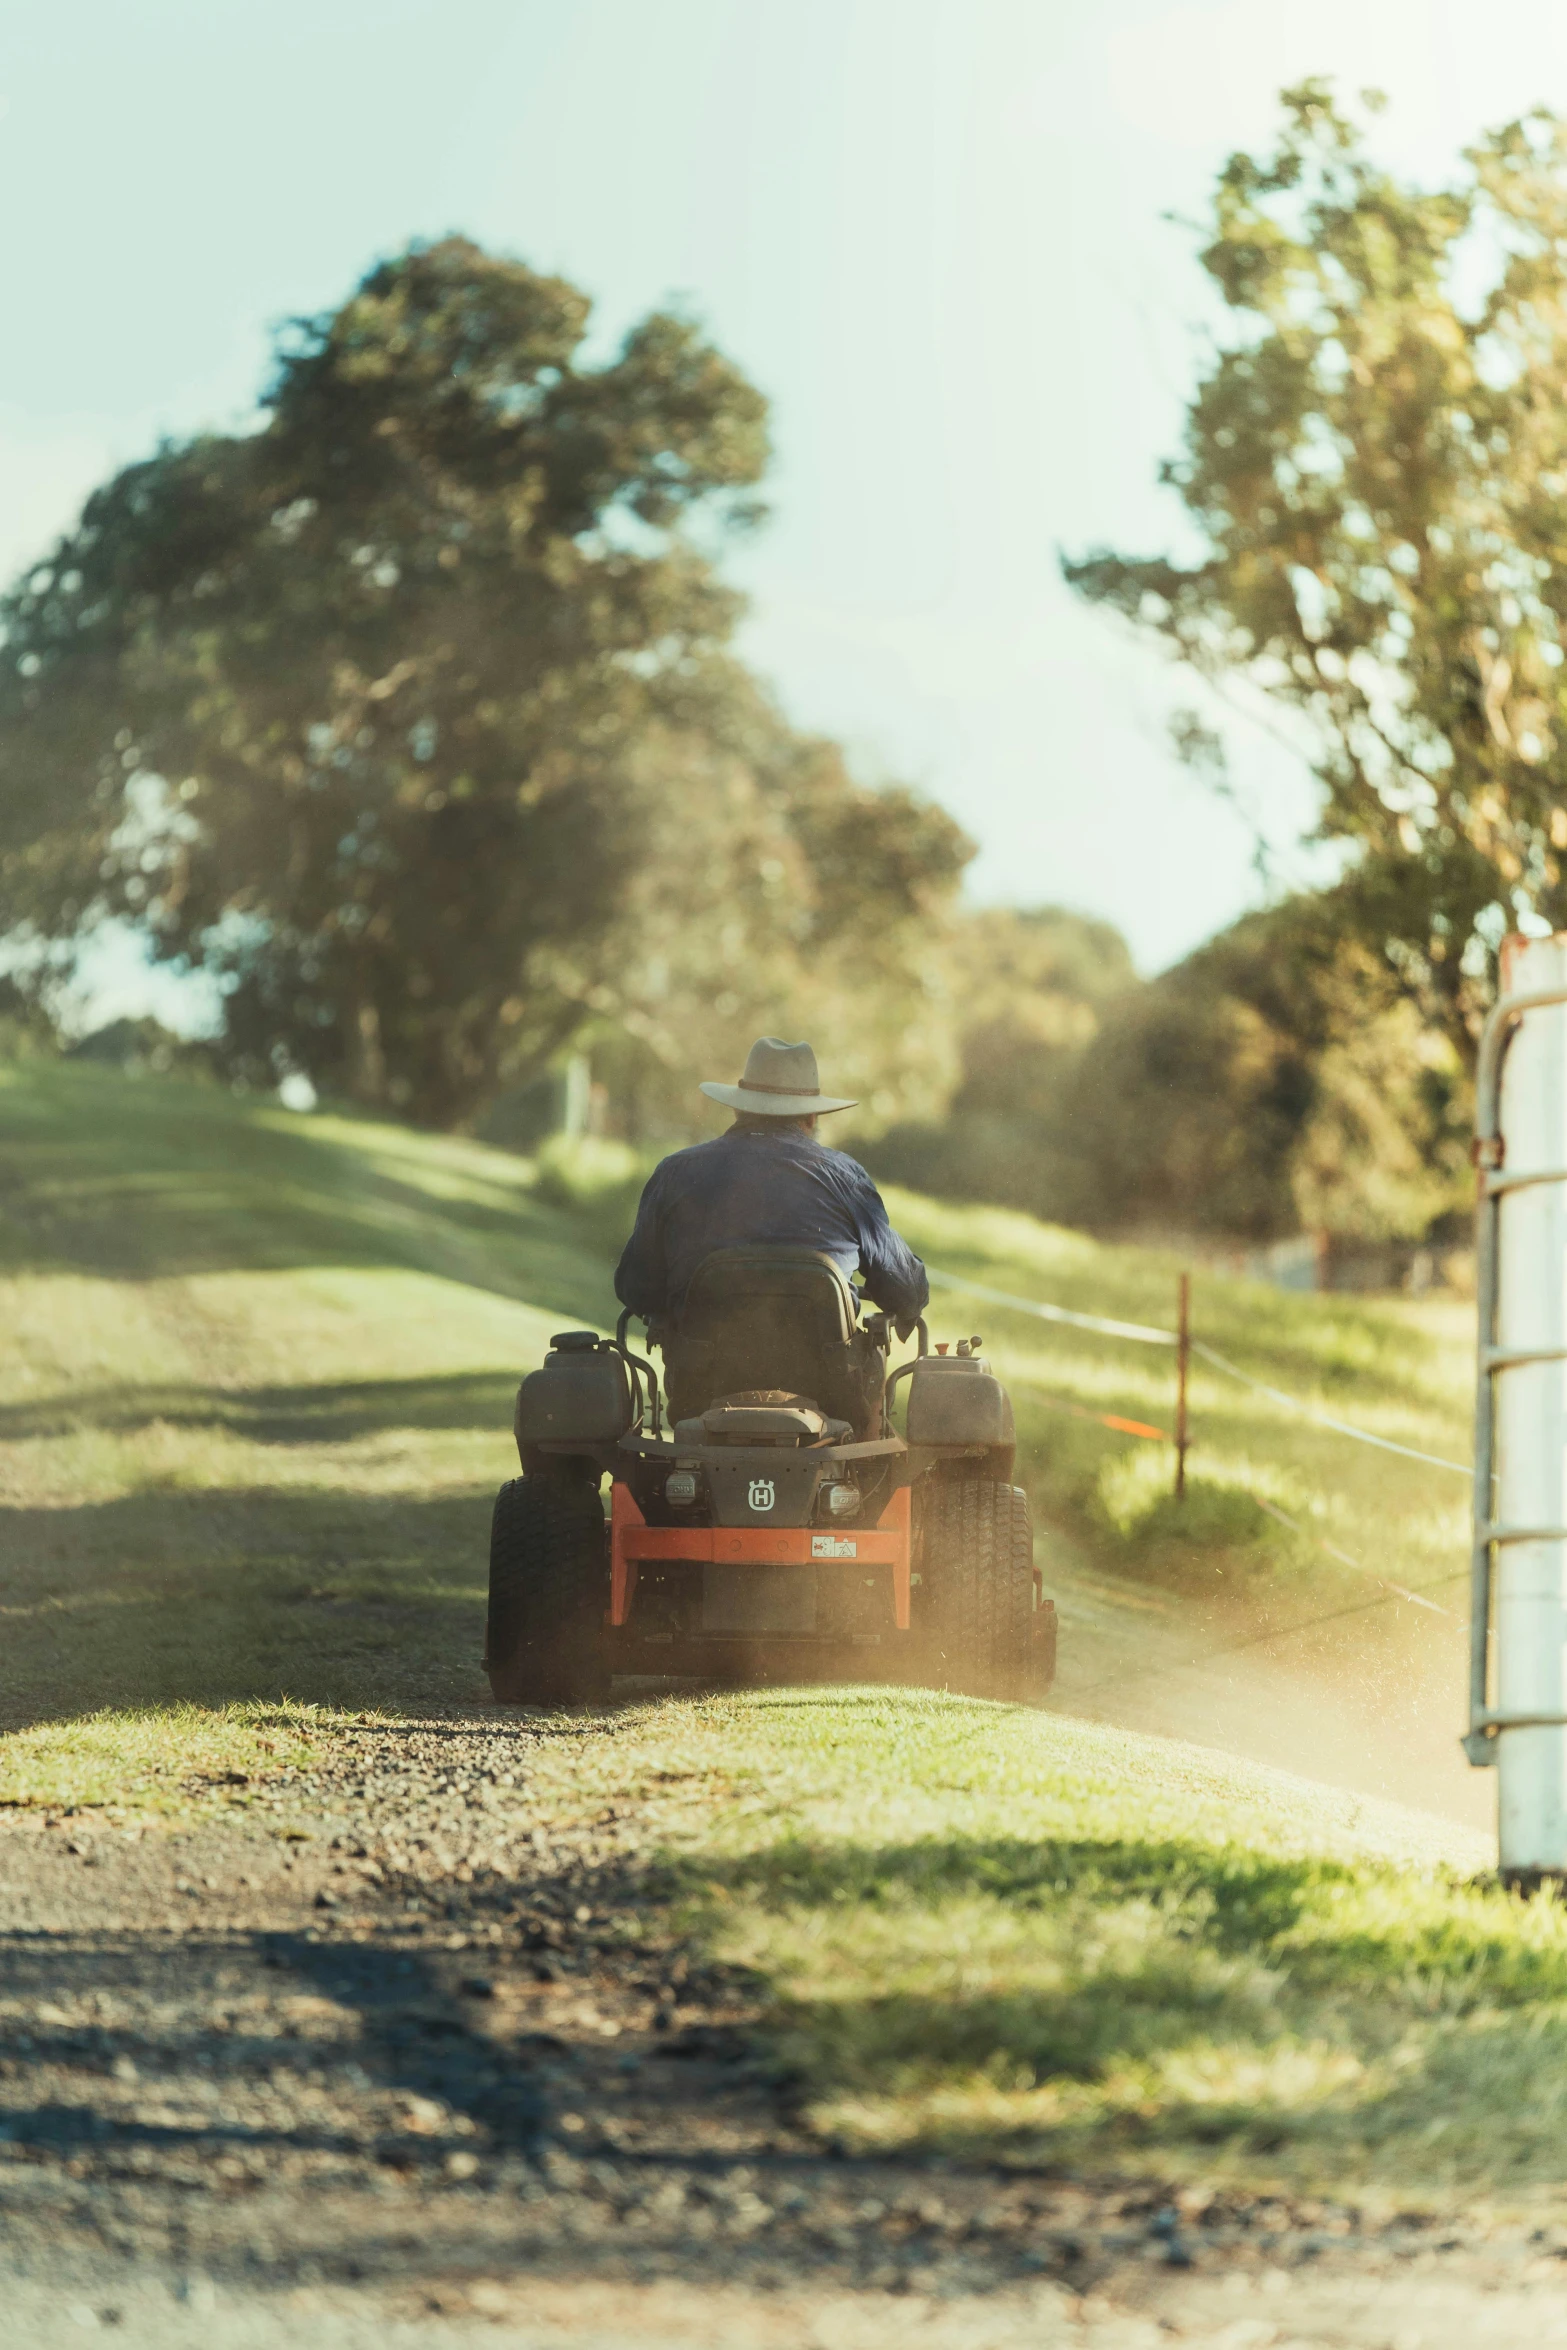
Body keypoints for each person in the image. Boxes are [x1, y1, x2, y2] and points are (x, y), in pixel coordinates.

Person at [614, 1036, 930, 1422]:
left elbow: (636, 1289)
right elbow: (906, 1288)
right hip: (834, 1396)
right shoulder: (845, 1177)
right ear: (812, 1116)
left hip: (701, 1393)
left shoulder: (675, 1173)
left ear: (738, 1109)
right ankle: (869, 1479)